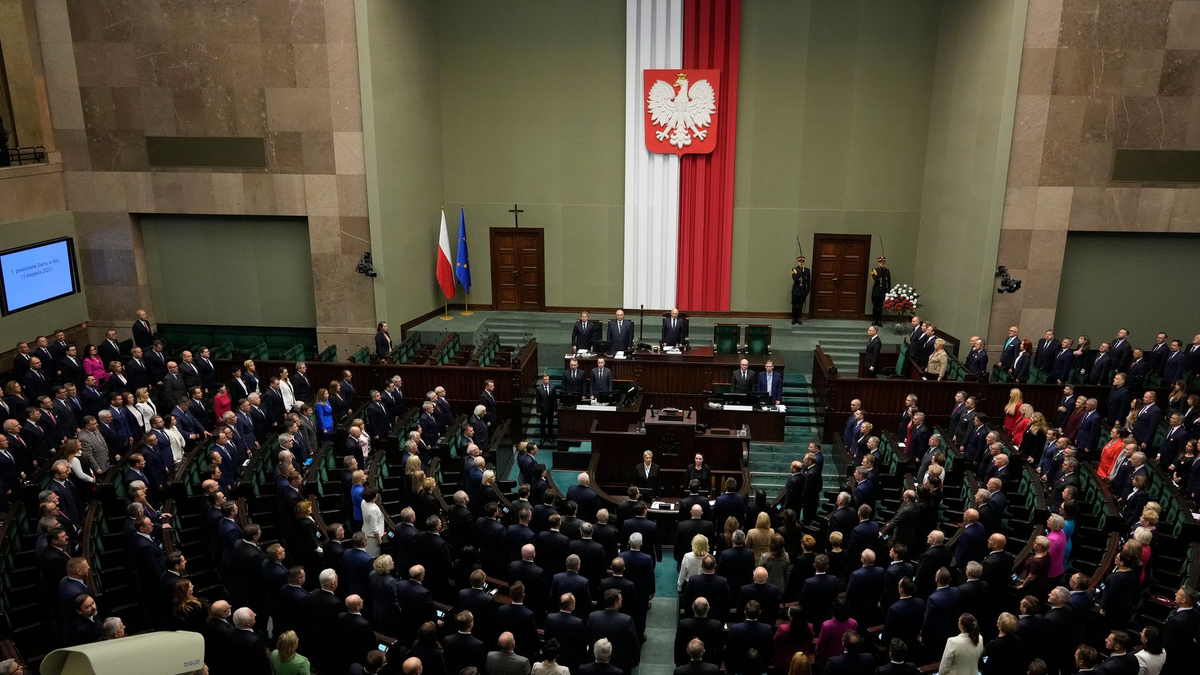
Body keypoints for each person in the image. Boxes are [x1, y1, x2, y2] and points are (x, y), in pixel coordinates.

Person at [535, 374, 557, 442]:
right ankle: (543, 437)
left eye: (548, 379)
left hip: (550, 409)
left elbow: (554, 400)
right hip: (542, 410)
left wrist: (555, 410)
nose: (547, 381)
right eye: (545, 380)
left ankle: (550, 437)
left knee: (550, 424)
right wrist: (538, 411)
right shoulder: (538, 389)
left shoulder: (552, 388)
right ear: (542, 380)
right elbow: (537, 401)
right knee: (542, 425)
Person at [790, 256, 810, 325]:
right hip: (796, 290)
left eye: (802, 261)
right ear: (798, 262)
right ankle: (794, 318)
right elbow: (795, 278)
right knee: (794, 305)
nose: (801, 263)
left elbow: (808, 281)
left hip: (803, 291)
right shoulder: (794, 269)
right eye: (800, 261)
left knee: (800, 305)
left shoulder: (807, 270)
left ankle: (798, 318)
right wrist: (800, 272)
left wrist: (808, 290)